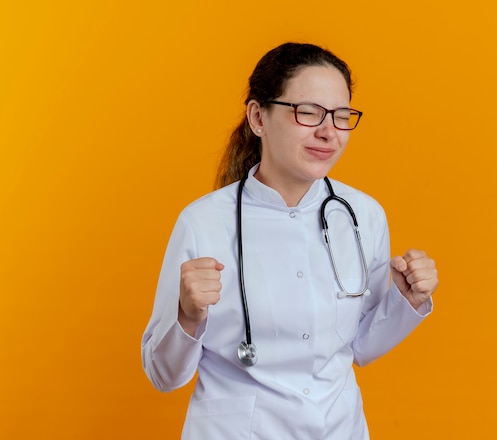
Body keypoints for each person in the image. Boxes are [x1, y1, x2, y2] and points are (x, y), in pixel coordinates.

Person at [141, 42, 439, 439]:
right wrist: (188, 316)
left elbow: (360, 347)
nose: (328, 131)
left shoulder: (364, 216)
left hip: (339, 428)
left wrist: (407, 300)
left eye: (340, 115)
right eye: (309, 112)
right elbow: (163, 376)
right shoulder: (203, 222)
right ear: (258, 117)